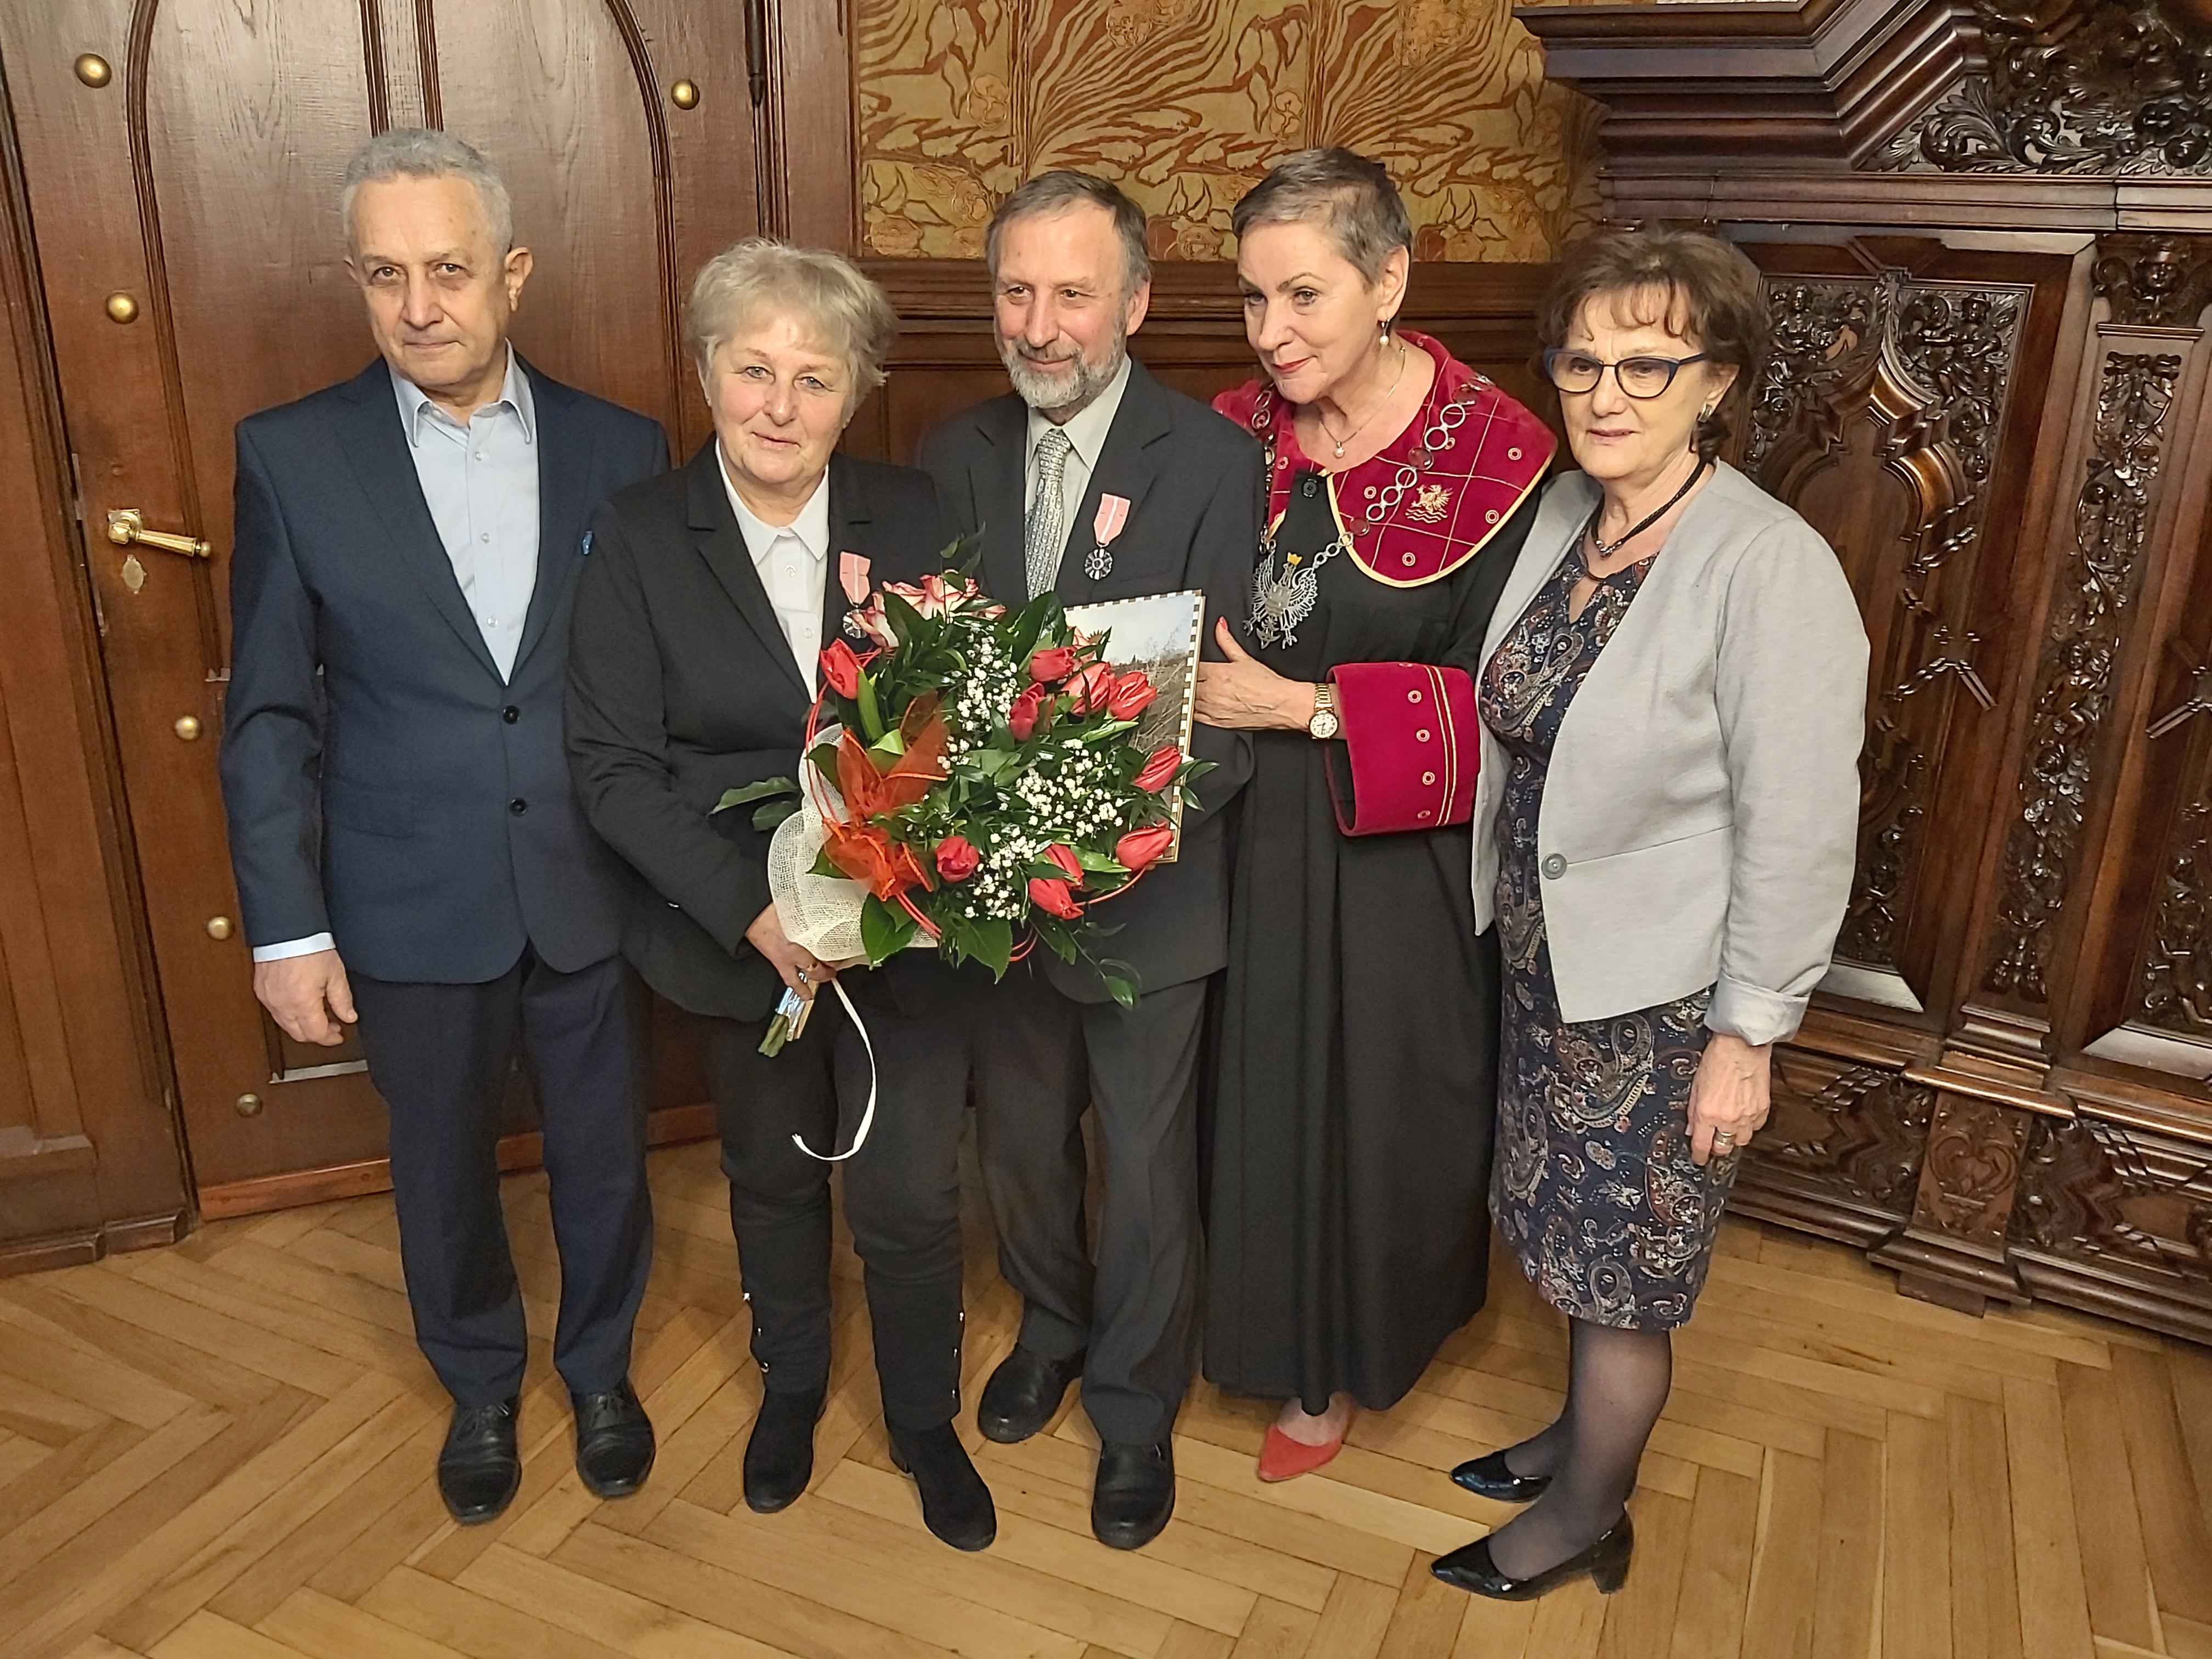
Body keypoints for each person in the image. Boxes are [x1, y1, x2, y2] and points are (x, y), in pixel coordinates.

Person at [219, 129, 668, 1525]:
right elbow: (269, 714)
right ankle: (479, 1385)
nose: (419, 306)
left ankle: (600, 1370)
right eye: (385, 275)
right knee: (438, 1164)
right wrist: (289, 927)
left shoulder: (622, 446)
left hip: (585, 879)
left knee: (604, 1152)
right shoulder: (292, 456)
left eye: (450, 271)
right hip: (405, 889)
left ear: (512, 276)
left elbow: (646, 676)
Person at [1430, 228, 1867, 1601]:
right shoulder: (1571, 511)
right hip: (1551, 967)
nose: (1606, 392)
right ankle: (1577, 1446)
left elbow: (1800, 823)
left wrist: (1751, 1036)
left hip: (1668, 1002)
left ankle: (1584, 1521)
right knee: (1573, 1235)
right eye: (1582, 361)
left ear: (1716, 381)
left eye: (1648, 364)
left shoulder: (1769, 566)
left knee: (1628, 1272)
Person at [566, 240, 996, 1552]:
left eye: (814, 378)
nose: (778, 405)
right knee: (768, 1174)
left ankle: (924, 1417)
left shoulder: (915, 515)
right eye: (752, 369)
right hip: (736, 945)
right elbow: (613, 768)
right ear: (706, 372)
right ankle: (794, 1392)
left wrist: (890, 889)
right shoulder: (641, 535)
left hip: (903, 937)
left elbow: (968, 721)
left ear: (856, 393)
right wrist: (756, 915)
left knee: (915, 1195)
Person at [1193, 149, 1554, 1482]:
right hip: (1235, 833)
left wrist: (1300, 709)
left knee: (1372, 1104)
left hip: (1390, 853)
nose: (1270, 334)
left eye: (1304, 296)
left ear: (1391, 278)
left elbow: (1518, 704)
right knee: (1246, 1092)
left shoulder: (1500, 455)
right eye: (1250, 300)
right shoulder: (1230, 429)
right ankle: (1255, 1334)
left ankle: (1345, 1360)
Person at [917, 172, 1260, 1550]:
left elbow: (1233, 697)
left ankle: (1132, 1407)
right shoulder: (947, 452)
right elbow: (923, 674)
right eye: (1016, 291)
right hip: (989, 902)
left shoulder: (1216, 460)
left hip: (1151, 896)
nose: (1040, 324)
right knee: (1017, 1148)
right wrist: (969, 834)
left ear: (1135, 302)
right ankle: (1051, 1327)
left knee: (1143, 1155)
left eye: (1072, 293)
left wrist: (1117, 835)